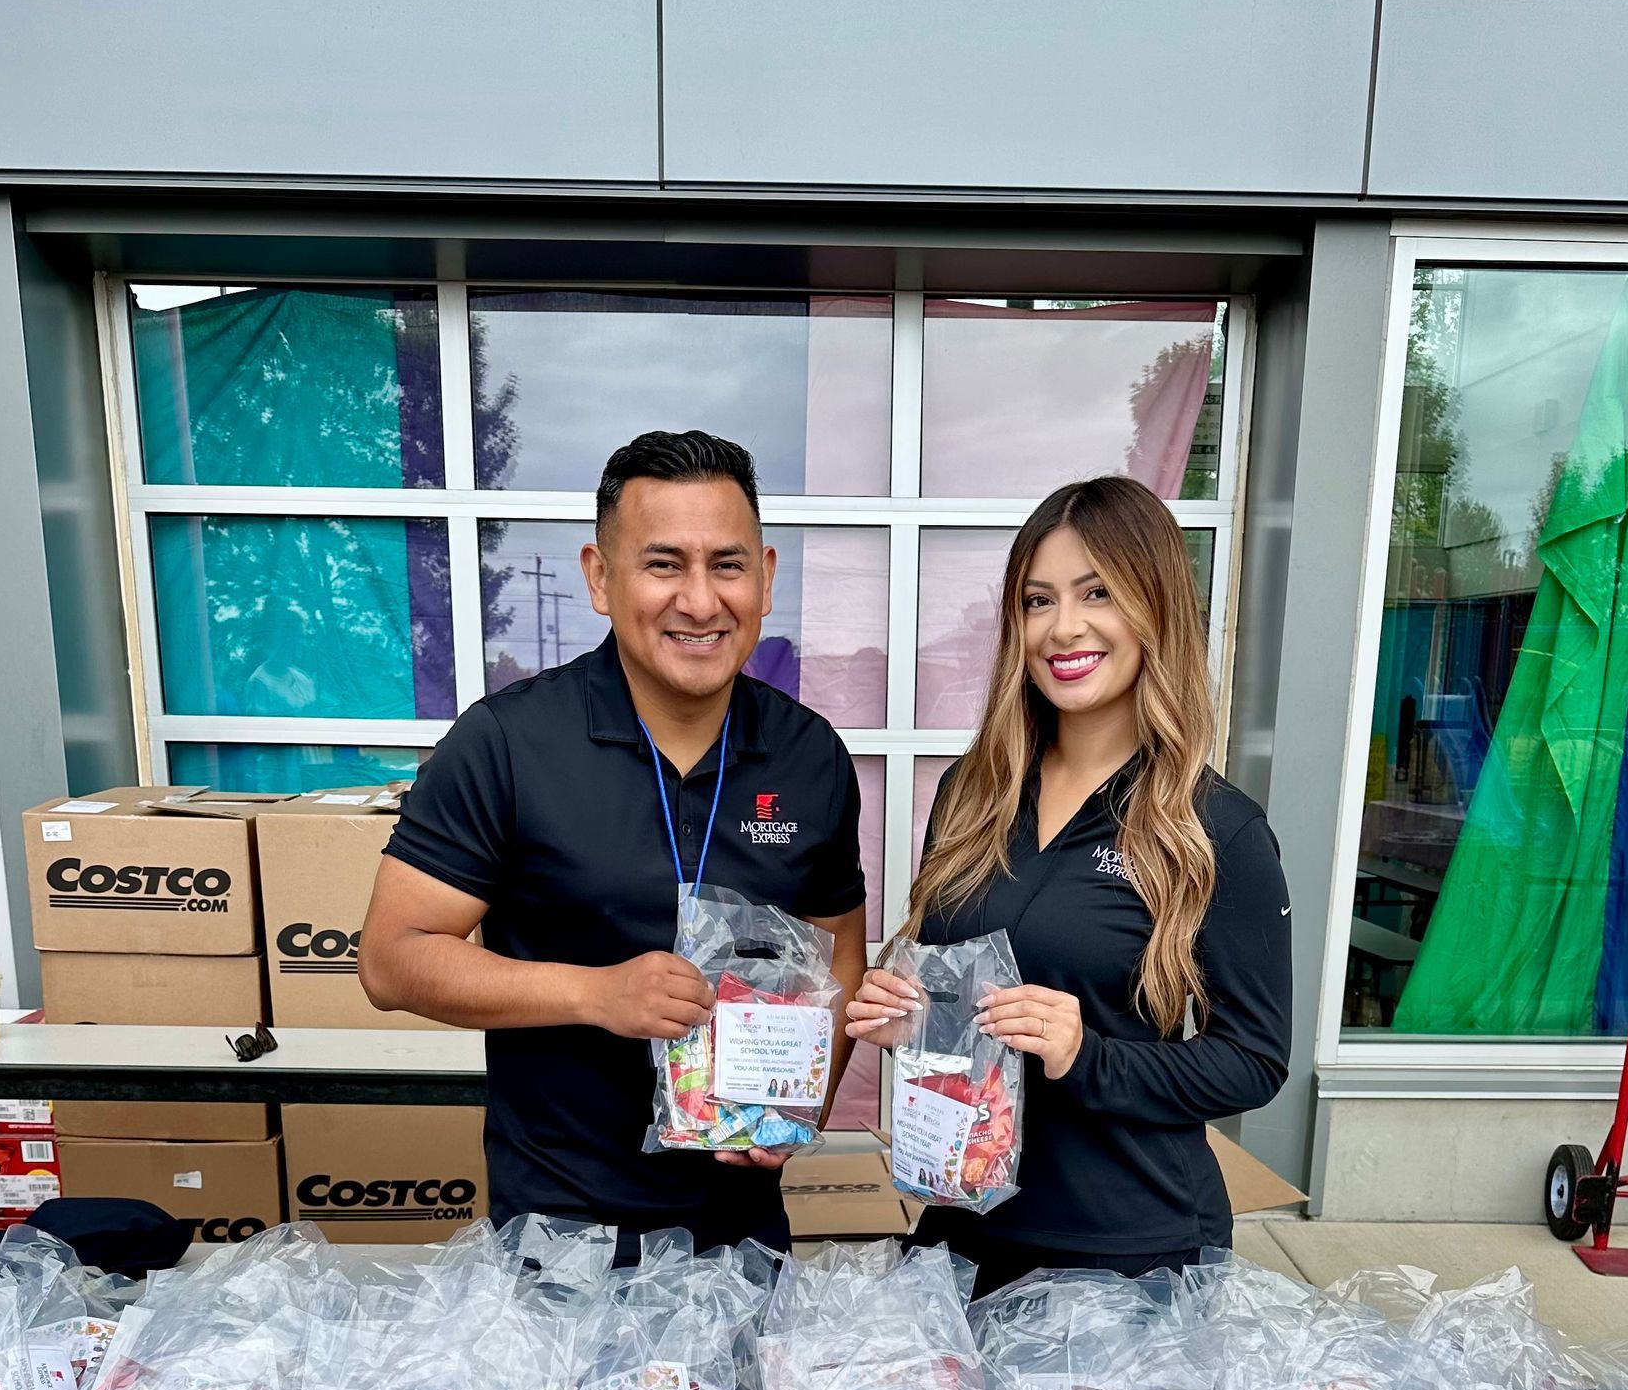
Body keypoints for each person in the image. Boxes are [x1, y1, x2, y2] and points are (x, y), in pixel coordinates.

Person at [360, 429, 869, 1250]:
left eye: (727, 565)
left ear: (766, 578)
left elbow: (841, 950)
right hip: (562, 1241)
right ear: (601, 578)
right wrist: (593, 995)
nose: (700, 602)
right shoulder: (506, 745)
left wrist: (801, 1098)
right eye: (663, 564)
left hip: (745, 1243)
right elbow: (391, 959)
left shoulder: (811, 756)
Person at [847, 474, 1290, 1298]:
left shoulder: (1215, 828)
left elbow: (1253, 1062)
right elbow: (965, 999)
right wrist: (912, 1014)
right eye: (1038, 600)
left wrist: (1087, 1056)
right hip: (961, 1233)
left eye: (1098, 593)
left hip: (1127, 1255)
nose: (1065, 627)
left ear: (1155, 607)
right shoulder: (972, 793)